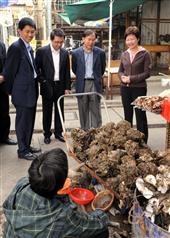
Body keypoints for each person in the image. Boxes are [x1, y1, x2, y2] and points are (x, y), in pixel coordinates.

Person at [3, 148, 109, 238]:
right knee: (102, 232)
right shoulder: (61, 216)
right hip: (58, 224)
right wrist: (101, 213)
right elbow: (97, 224)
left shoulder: (22, 184)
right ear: (61, 185)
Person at [3, 17, 40, 160]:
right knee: (22, 123)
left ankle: (27, 145)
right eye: (27, 32)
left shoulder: (29, 47)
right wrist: (12, 92)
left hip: (31, 92)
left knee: (29, 122)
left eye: (32, 32)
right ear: (19, 31)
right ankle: (22, 150)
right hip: (22, 93)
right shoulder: (16, 48)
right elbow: (9, 72)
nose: (30, 35)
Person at [35, 29, 71, 144]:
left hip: (60, 85)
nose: (59, 44)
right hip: (47, 85)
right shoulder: (42, 51)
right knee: (47, 111)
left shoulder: (65, 53)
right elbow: (36, 69)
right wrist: (43, 81)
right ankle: (47, 134)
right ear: (51, 40)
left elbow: (66, 71)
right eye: (56, 42)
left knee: (60, 110)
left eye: (61, 42)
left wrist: (67, 87)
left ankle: (58, 132)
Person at [118, 26, 152, 143]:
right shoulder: (124, 54)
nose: (130, 42)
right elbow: (120, 70)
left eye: (132, 39)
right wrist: (122, 77)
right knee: (127, 116)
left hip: (139, 89)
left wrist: (131, 79)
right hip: (125, 89)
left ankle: (143, 141)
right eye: (128, 39)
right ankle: (129, 141)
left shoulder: (144, 53)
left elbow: (147, 73)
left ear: (138, 39)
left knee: (140, 116)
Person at [72, 29, 106, 130]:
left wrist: (97, 77)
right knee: (83, 108)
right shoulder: (75, 53)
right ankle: (85, 131)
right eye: (89, 39)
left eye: (93, 39)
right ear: (83, 39)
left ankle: (97, 130)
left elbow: (102, 69)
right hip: (82, 83)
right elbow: (75, 69)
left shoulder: (100, 53)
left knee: (95, 108)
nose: (91, 42)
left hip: (95, 83)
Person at [0, 41, 17, 145]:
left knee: (4, 112)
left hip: (1, 84)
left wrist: (3, 75)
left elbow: (7, 64)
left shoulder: (1, 45)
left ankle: (4, 136)